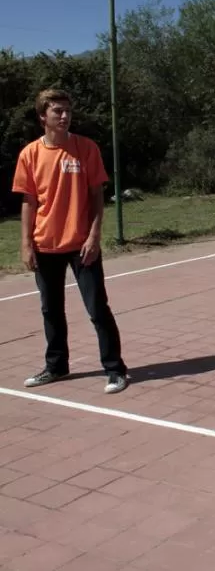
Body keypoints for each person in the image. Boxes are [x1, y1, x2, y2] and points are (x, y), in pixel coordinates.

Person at [12, 89, 129, 394]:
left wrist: (94, 235)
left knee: (97, 308)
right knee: (50, 310)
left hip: (81, 244)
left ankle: (115, 370)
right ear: (43, 117)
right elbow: (28, 201)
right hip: (45, 244)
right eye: (57, 112)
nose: (64, 116)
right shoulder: (30, 154)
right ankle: (56, 367)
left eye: (67, 111)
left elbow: (96, 196)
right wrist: (26, 243)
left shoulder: (86, 148)